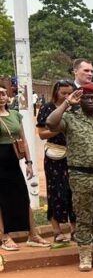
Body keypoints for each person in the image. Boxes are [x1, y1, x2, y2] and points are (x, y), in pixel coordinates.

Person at [45, 84, 93, 271]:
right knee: (84, 217)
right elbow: (50, 123)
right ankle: (85, 255)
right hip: (81, 175)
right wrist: (66, 103)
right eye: (85, 97)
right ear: (79, 99)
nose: (89, 100)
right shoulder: (70, 119)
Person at [0, 86, 47, 252]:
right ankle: (5, 237)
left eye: (4, 93)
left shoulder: (14, 115)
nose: (2, 97)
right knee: (2, 200)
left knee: (22, 196)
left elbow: (23, 140)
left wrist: (28, 162)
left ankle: (33, 234)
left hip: (13, 160)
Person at [36, 80, 76, 246]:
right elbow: (41, 134)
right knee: (56, 191)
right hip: (55, 157)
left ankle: (75, 230)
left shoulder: (77, 108)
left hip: (74, 155)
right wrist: (59, 128)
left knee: (74, 192)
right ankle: (57, 230)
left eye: (69, 93)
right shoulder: (48, 108)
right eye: (63, 93)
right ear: (56, 93)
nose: (67, 96)